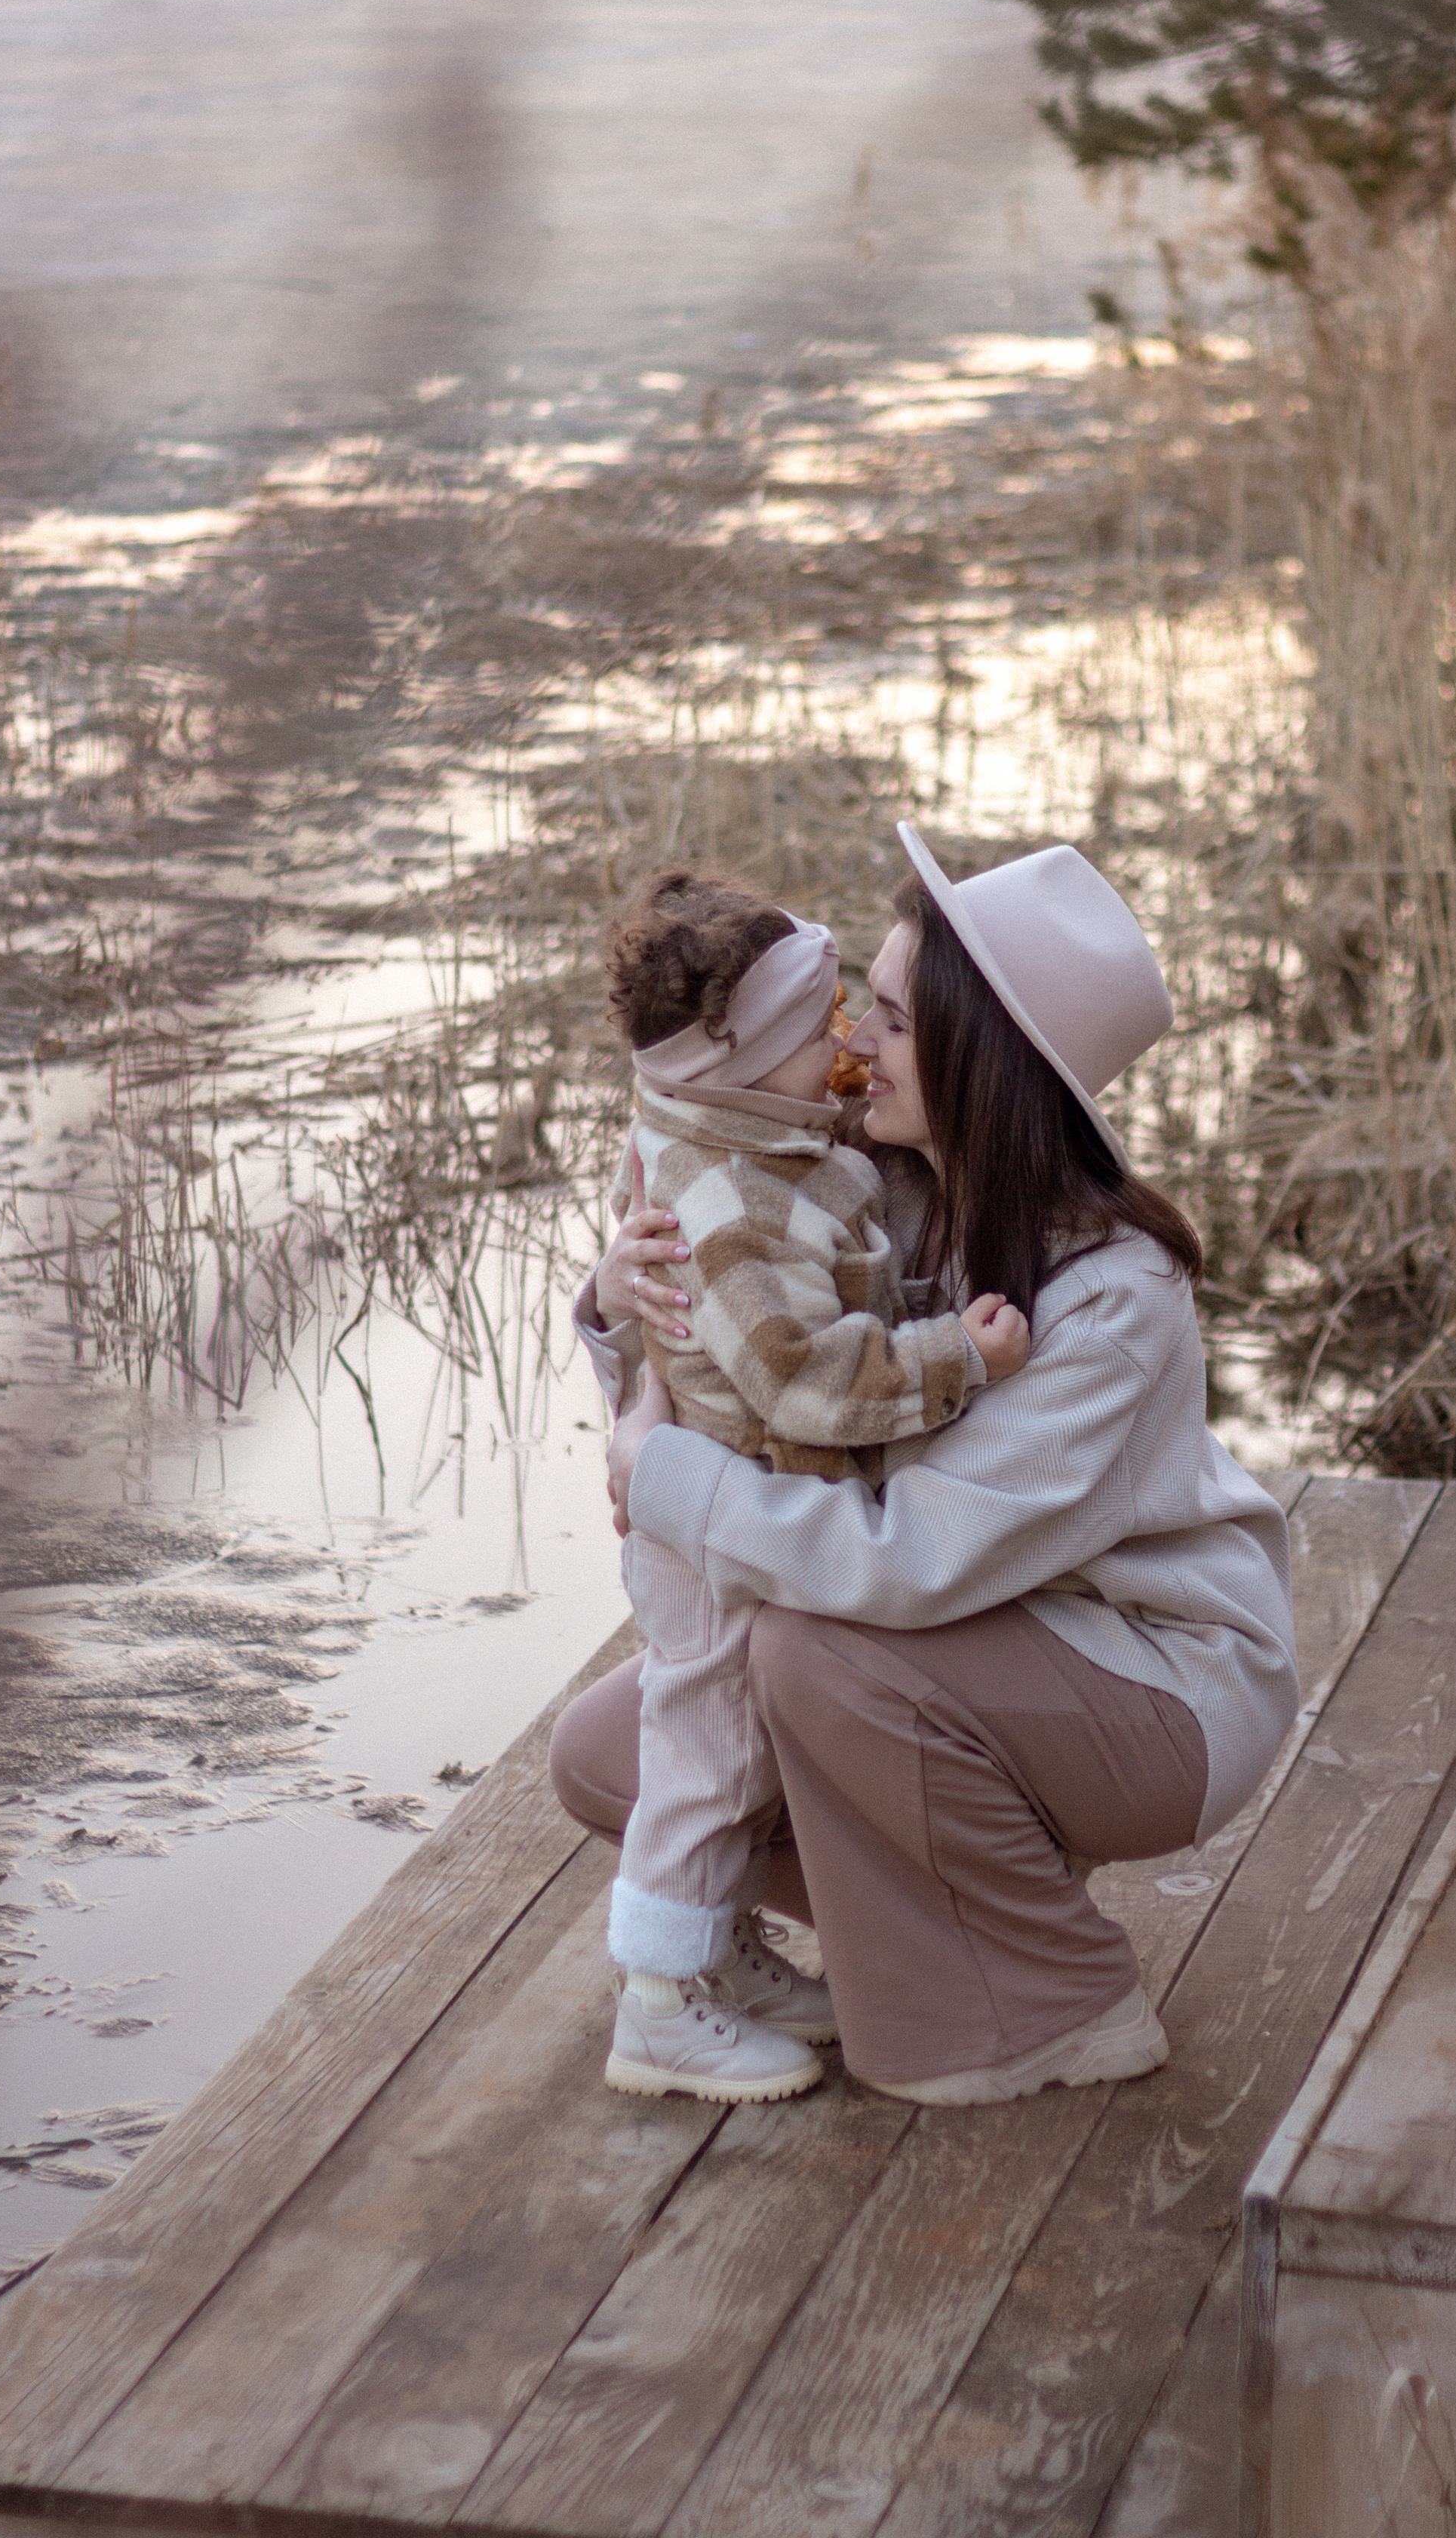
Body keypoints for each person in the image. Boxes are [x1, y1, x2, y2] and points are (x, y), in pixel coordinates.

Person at [556, 821, 1298, 2106]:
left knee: (812, 1653)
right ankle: (925, 1908)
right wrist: (626, 1305)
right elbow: (740, 1366)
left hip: (1155, 1681)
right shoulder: (871, 1185)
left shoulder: (1116, 1297)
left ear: (982, 1057)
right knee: (607, 1752)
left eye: (893, 1021)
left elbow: (906, 1560)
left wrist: (666, 1482)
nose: (853, 1041)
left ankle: (1055, 2004)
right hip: (969, 1639)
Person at [597, 866, 1032, 2103]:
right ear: (741, 1067)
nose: (845, 1043)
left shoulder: (748, 1133)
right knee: (711, 1759)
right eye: (820, 1027)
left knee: (737, 1752)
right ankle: (659, 2004)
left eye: (861, 1014)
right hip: (722, 1523)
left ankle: (720, 1960)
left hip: (744, 1511)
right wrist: (958, 1359)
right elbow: (796, 1377)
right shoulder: (729, 1199)